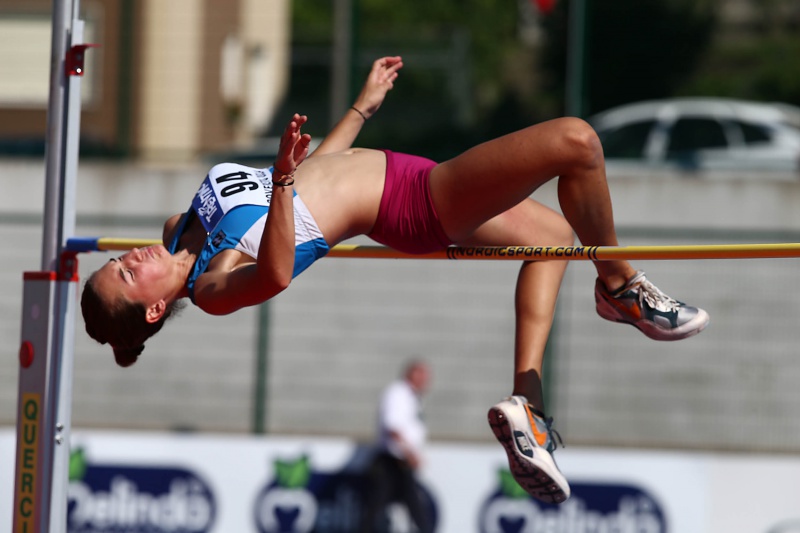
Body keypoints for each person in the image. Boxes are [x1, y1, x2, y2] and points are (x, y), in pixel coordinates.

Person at [81, 55, 709, 504]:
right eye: (127, 275)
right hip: (414, 203)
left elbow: (312, 178)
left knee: (555, 238)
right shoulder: (214, 286)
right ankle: (620, 285)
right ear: (154, 310)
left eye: (116, 262)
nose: (128, 258)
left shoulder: (179, 226)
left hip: (400, 173)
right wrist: (282, 180)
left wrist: (361, 108)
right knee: (577, 141)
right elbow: (275, 271)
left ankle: (530, 408)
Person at [360, 360, 433, 533]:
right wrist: (410, 454)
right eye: (422, 376)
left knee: (411, 503)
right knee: (377, 505)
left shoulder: (412, 398)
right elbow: (393, 428)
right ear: (411, 375)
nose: (425, 381)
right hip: (392, 461)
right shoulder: (398, 393)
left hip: (402, 463)